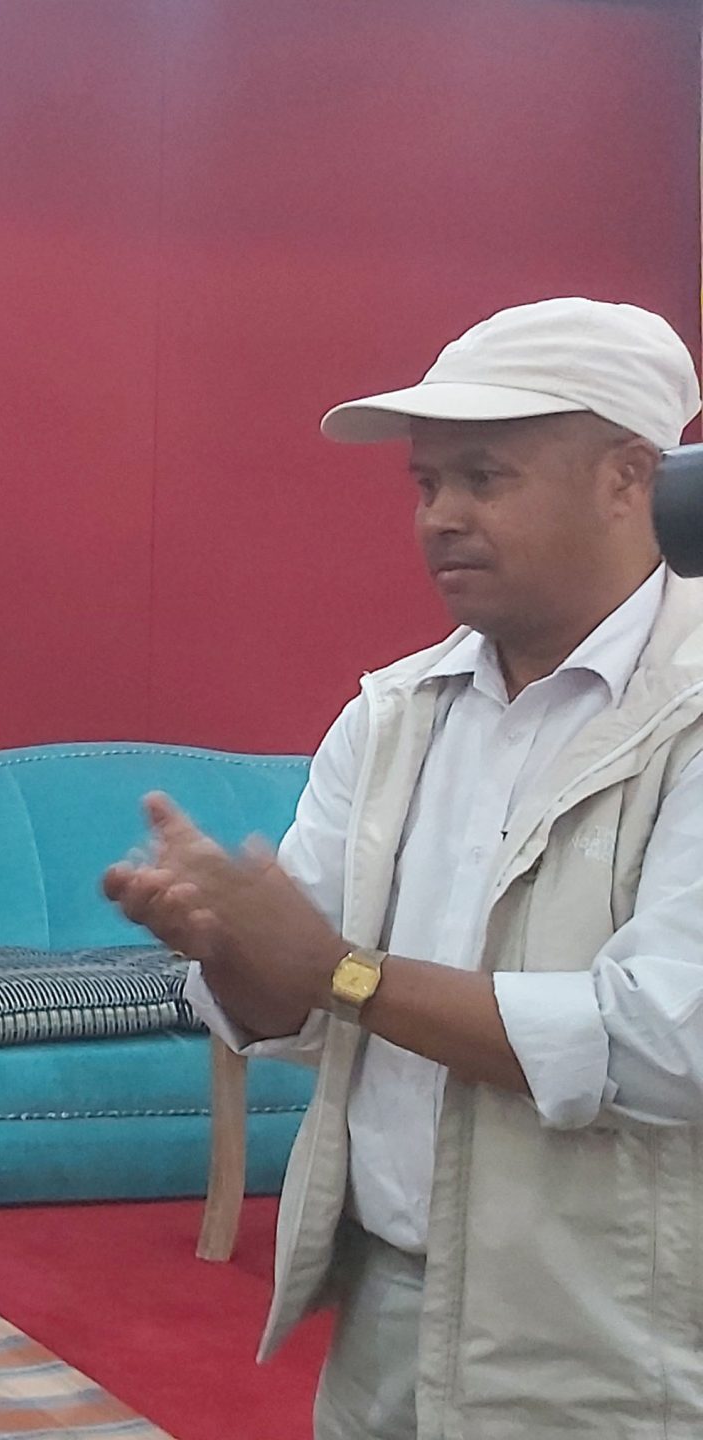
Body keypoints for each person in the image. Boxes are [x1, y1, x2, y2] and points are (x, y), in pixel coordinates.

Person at [102, 298, 703, 1439]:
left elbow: (669, 1041)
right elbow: (296, 1007)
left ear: (628, 477)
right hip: (381, 1314)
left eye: (484, 478)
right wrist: (229, 947)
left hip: (613, 1343)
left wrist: (344, 973)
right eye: (427, 484)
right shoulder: (394, 715)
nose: (441, 517)